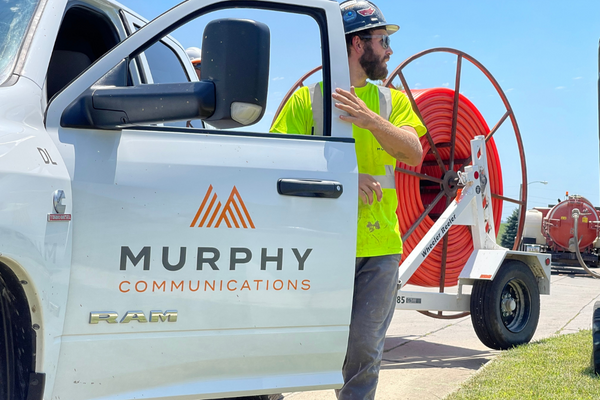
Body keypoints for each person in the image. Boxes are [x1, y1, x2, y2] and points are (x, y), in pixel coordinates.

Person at [270, 1, 426, 398]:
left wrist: (371, 120)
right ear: (358, 44)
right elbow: (273, 160)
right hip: (319, 247)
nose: (389, 50)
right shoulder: (308, 102)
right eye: (382, 40)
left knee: (362, 352)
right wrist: (343, 178)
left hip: (379, 249)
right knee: (297, 344)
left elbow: (413, 152)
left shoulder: (391, 103)